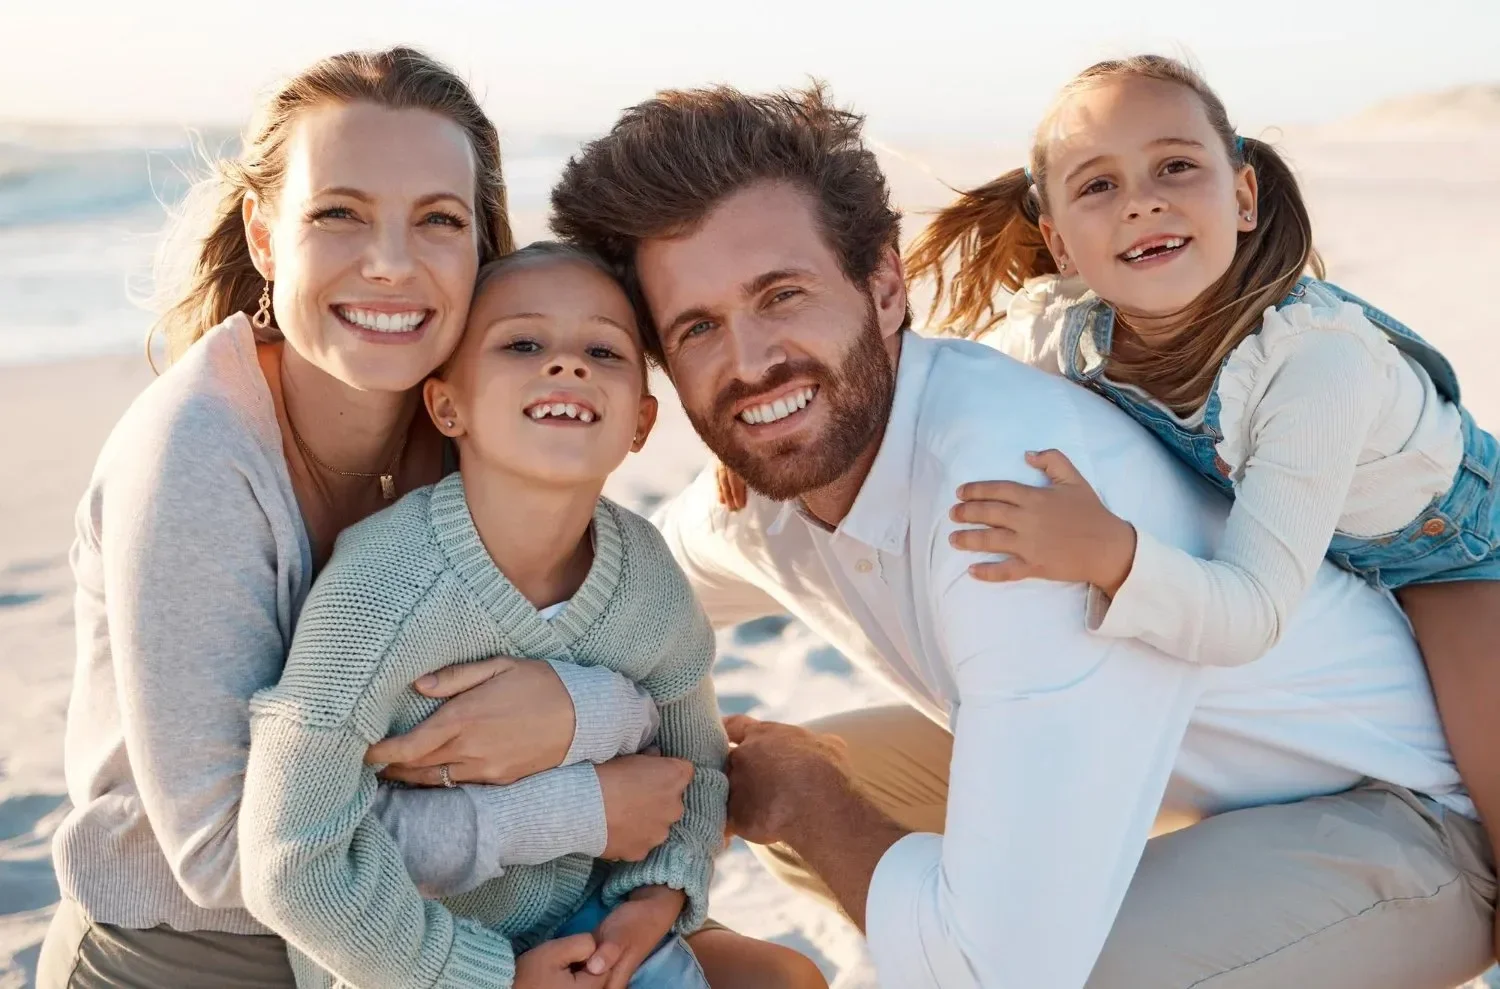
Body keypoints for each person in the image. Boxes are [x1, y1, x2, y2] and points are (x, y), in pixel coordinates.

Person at [549, 82, 1497, 988]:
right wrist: (527, 704)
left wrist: (803, 800)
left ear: (885, 286)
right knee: (849, 814)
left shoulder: (1011, 513)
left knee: (1049, 960)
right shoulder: (770, 479)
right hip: (1172, 774)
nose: (752, 363)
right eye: (699, 328)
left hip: (1402, 812)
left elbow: (995, 972)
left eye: (783, 295)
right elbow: (619, 581)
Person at [37, 48, 805, 989]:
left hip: (475, 911)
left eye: (437, 220)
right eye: (338, 214)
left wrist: (580, 713)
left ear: (481, 246)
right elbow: (225, 854)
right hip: (197, 947)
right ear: (266, 237)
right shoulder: (192, 458)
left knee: (775, 976)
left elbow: (624, 641)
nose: (392, 263)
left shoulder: (469, 402)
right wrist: (576, 802)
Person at [904, 54, 1500, 962]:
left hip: (1455, 553)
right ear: (1060, 242)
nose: (1143, 201)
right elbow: (925, 394)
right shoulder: (1060, 332)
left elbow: (1253, 610)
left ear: (1245, 196)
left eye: (1176, 166)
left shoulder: (1314, 363)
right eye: (1098, 185)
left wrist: (1112, 555)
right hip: (1328, 536)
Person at [237, 242, 741, 989]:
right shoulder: (378, 592)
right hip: (411, 956)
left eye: (602, 349)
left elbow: (697, 763)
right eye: (524, 343)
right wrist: (495, 977)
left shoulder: (650, 581)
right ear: (448, 404)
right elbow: (291, 861)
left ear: (639, 421)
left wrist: (654, 896)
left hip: (592, 925)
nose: (566, 365)